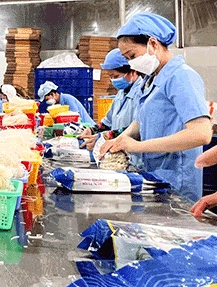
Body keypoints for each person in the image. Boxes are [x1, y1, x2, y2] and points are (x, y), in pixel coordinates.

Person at [100, 13, 212, 201]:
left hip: (177, 182)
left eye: (132, 56)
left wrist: (138, 146)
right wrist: (120, 139)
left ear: (153, 44)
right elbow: (142, 120)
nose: (132, 63)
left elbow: (201, 133)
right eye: (127, 59)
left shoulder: (181, 76)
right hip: (155, 177)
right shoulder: (151, 80)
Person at [79, 48, 143, 151]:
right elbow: (107, 123)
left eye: (116, 76)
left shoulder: (141, 94)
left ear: (132, 71)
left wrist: (104, 137)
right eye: (111, 76)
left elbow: (136, 129)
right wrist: (92, 130)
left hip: (134, 153)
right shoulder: (121, 94)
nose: (113, 80)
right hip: (118, 151)